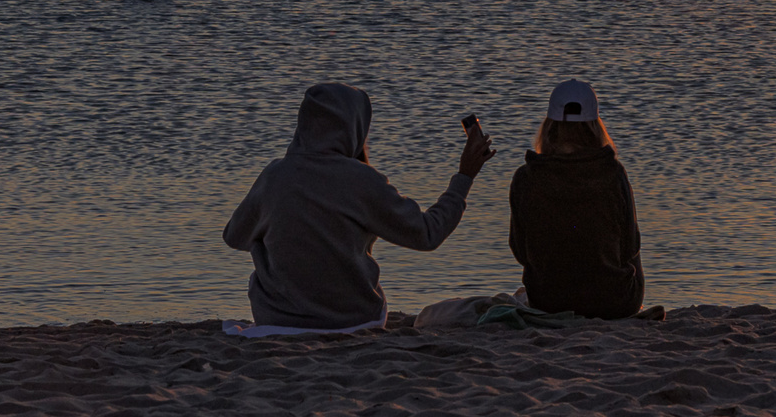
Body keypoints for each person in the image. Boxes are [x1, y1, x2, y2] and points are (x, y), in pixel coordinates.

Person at [223, 82, 494, 331]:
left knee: (262, 246)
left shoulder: (274, 177)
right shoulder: (363, 181)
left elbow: (234, 236)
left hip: (278, 319)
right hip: (353, 320)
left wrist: (288, 234)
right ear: (355, 126)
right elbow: (427, 234)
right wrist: (465, 176)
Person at [508, 79, 648, 320]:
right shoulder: (613, 173)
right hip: (616, 301)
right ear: (595, 126)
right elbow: (630, 247)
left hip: (548, 302)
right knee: (631, 240)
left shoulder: (526, 177)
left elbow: (520, 251)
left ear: (549, 125)